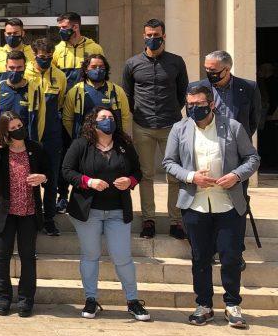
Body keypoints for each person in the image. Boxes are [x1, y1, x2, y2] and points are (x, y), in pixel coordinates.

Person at [162, 83, 261, 327]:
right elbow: (169, 162)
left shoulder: (233, 127)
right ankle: (204, 305)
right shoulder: (179, 128)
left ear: (212, 104)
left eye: (199, 104)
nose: (193, 108)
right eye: (189, 105)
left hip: (228, 205)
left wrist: (236, 175)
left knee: (231, 257)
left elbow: (252, 158)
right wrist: (190, 176)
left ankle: (232, 304)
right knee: (200, 258)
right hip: (195, 205)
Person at [61, 103, 150, 321]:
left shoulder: (124, 145)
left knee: (122, 257)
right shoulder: (81, 144)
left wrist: (129, 181)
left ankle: (133, 301)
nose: (107, 121)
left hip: (117, 211)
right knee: (90, 255)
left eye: (111, 118)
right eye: (103, 118)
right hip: (88, 212)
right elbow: (66, 171)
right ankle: (90, 299)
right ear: (93, 123)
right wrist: (88, 181)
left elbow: (138, 172)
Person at [121, 18, 189, 239]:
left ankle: (175, 221)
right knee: (146, 175)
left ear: (164, 36)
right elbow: (127, 95)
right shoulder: (132, 63)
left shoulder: (176, 62)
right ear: (144, 36)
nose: (153, 38)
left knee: (174, 176)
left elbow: (183, 93)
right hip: (143, 126)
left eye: (156, 35)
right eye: (149, 35)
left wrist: (171, 111)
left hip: (172, 126)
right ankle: (148, 219)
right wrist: (140, 113)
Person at [0, 111, 48, 316]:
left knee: (28, 257)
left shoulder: (36, 148)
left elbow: (50, 173)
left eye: (19, 126)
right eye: (12, 128)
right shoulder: (0, 151)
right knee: (2, 257)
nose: (18, 130)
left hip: (29, 212)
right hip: (6, 213)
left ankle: (25, 299)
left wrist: (43, 177)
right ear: (5, 132)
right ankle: (3, 298)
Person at [25, 38, 67, 236]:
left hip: (51, 135)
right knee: (30, 178)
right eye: (42, 56)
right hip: (29, 136)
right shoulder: (25, 74)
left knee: (51, 179)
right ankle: (33, 218)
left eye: (49, 56)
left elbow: (61, 103)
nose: (46, 59)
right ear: (34, 55)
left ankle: (49, 219)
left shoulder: (59, 76)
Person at [62, 54, 132, 140]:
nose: (98, 70)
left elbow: (125, 117)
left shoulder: (116, 91)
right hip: (84, 140)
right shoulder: (75, 91)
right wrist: (78, 139)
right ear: (86, 70)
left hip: (110, 140)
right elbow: (67, 119)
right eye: (93, 67)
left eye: (101, 67)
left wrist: (117, 136)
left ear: (106, 69)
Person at [0, 50, 45, 143]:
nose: (15, 71)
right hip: (2, 144)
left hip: (26, 144)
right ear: (6, 67)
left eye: (19, 67)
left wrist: (34, 144)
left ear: (25, 67)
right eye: (12, 67)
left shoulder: (36, 90)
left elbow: (40, 121)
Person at [204, 50, 263, 139]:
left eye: (213, 70)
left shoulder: (249, 87)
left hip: (238, 142)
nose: (208, 72)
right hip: (208, 141)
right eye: (206, 68)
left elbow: (254, 118)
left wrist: (242, 138)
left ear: (227, 69)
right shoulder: (198, 87)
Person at [53, 12, 104, 89]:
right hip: (65, 95)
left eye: (64, 27)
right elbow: (52, 74)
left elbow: (103, 73)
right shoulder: (58, 49)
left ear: (76, 27)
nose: (60, 31)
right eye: (59, 28)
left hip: (87, 94)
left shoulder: (95, 48)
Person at [0, 18, 35, 85]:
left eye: (15, 33)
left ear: (22, 33)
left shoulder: (33, 54)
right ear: (5, 34)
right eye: (9, 33)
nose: (12, 36)